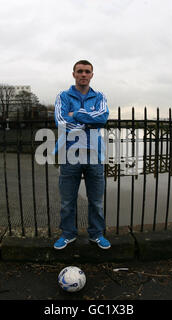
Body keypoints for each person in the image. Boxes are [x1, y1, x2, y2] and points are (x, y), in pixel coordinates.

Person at [53, 60, 110, 250]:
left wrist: (76, 114)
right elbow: (61, 122)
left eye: (87, 71)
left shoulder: (100, 96)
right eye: (80, 71)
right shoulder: (63, 96)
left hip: (94, 154)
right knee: (68, 200)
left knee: (96, 200)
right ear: (74, 74)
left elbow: (102, 119)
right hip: (70, 154)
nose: (83, 74)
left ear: (92, 75)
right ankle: (68, 234)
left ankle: (96, 234)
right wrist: (88, 120)